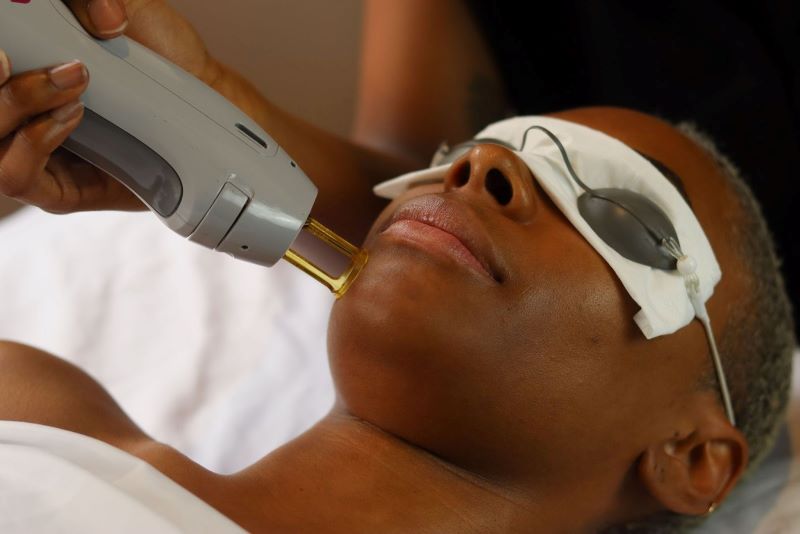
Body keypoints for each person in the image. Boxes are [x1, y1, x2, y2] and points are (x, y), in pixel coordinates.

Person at [0, 1, 795, 531]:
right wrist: (185, 98)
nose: (477, 168)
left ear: (691, 456)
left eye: (623, 214)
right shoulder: (32, 407)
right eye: (469, 150)